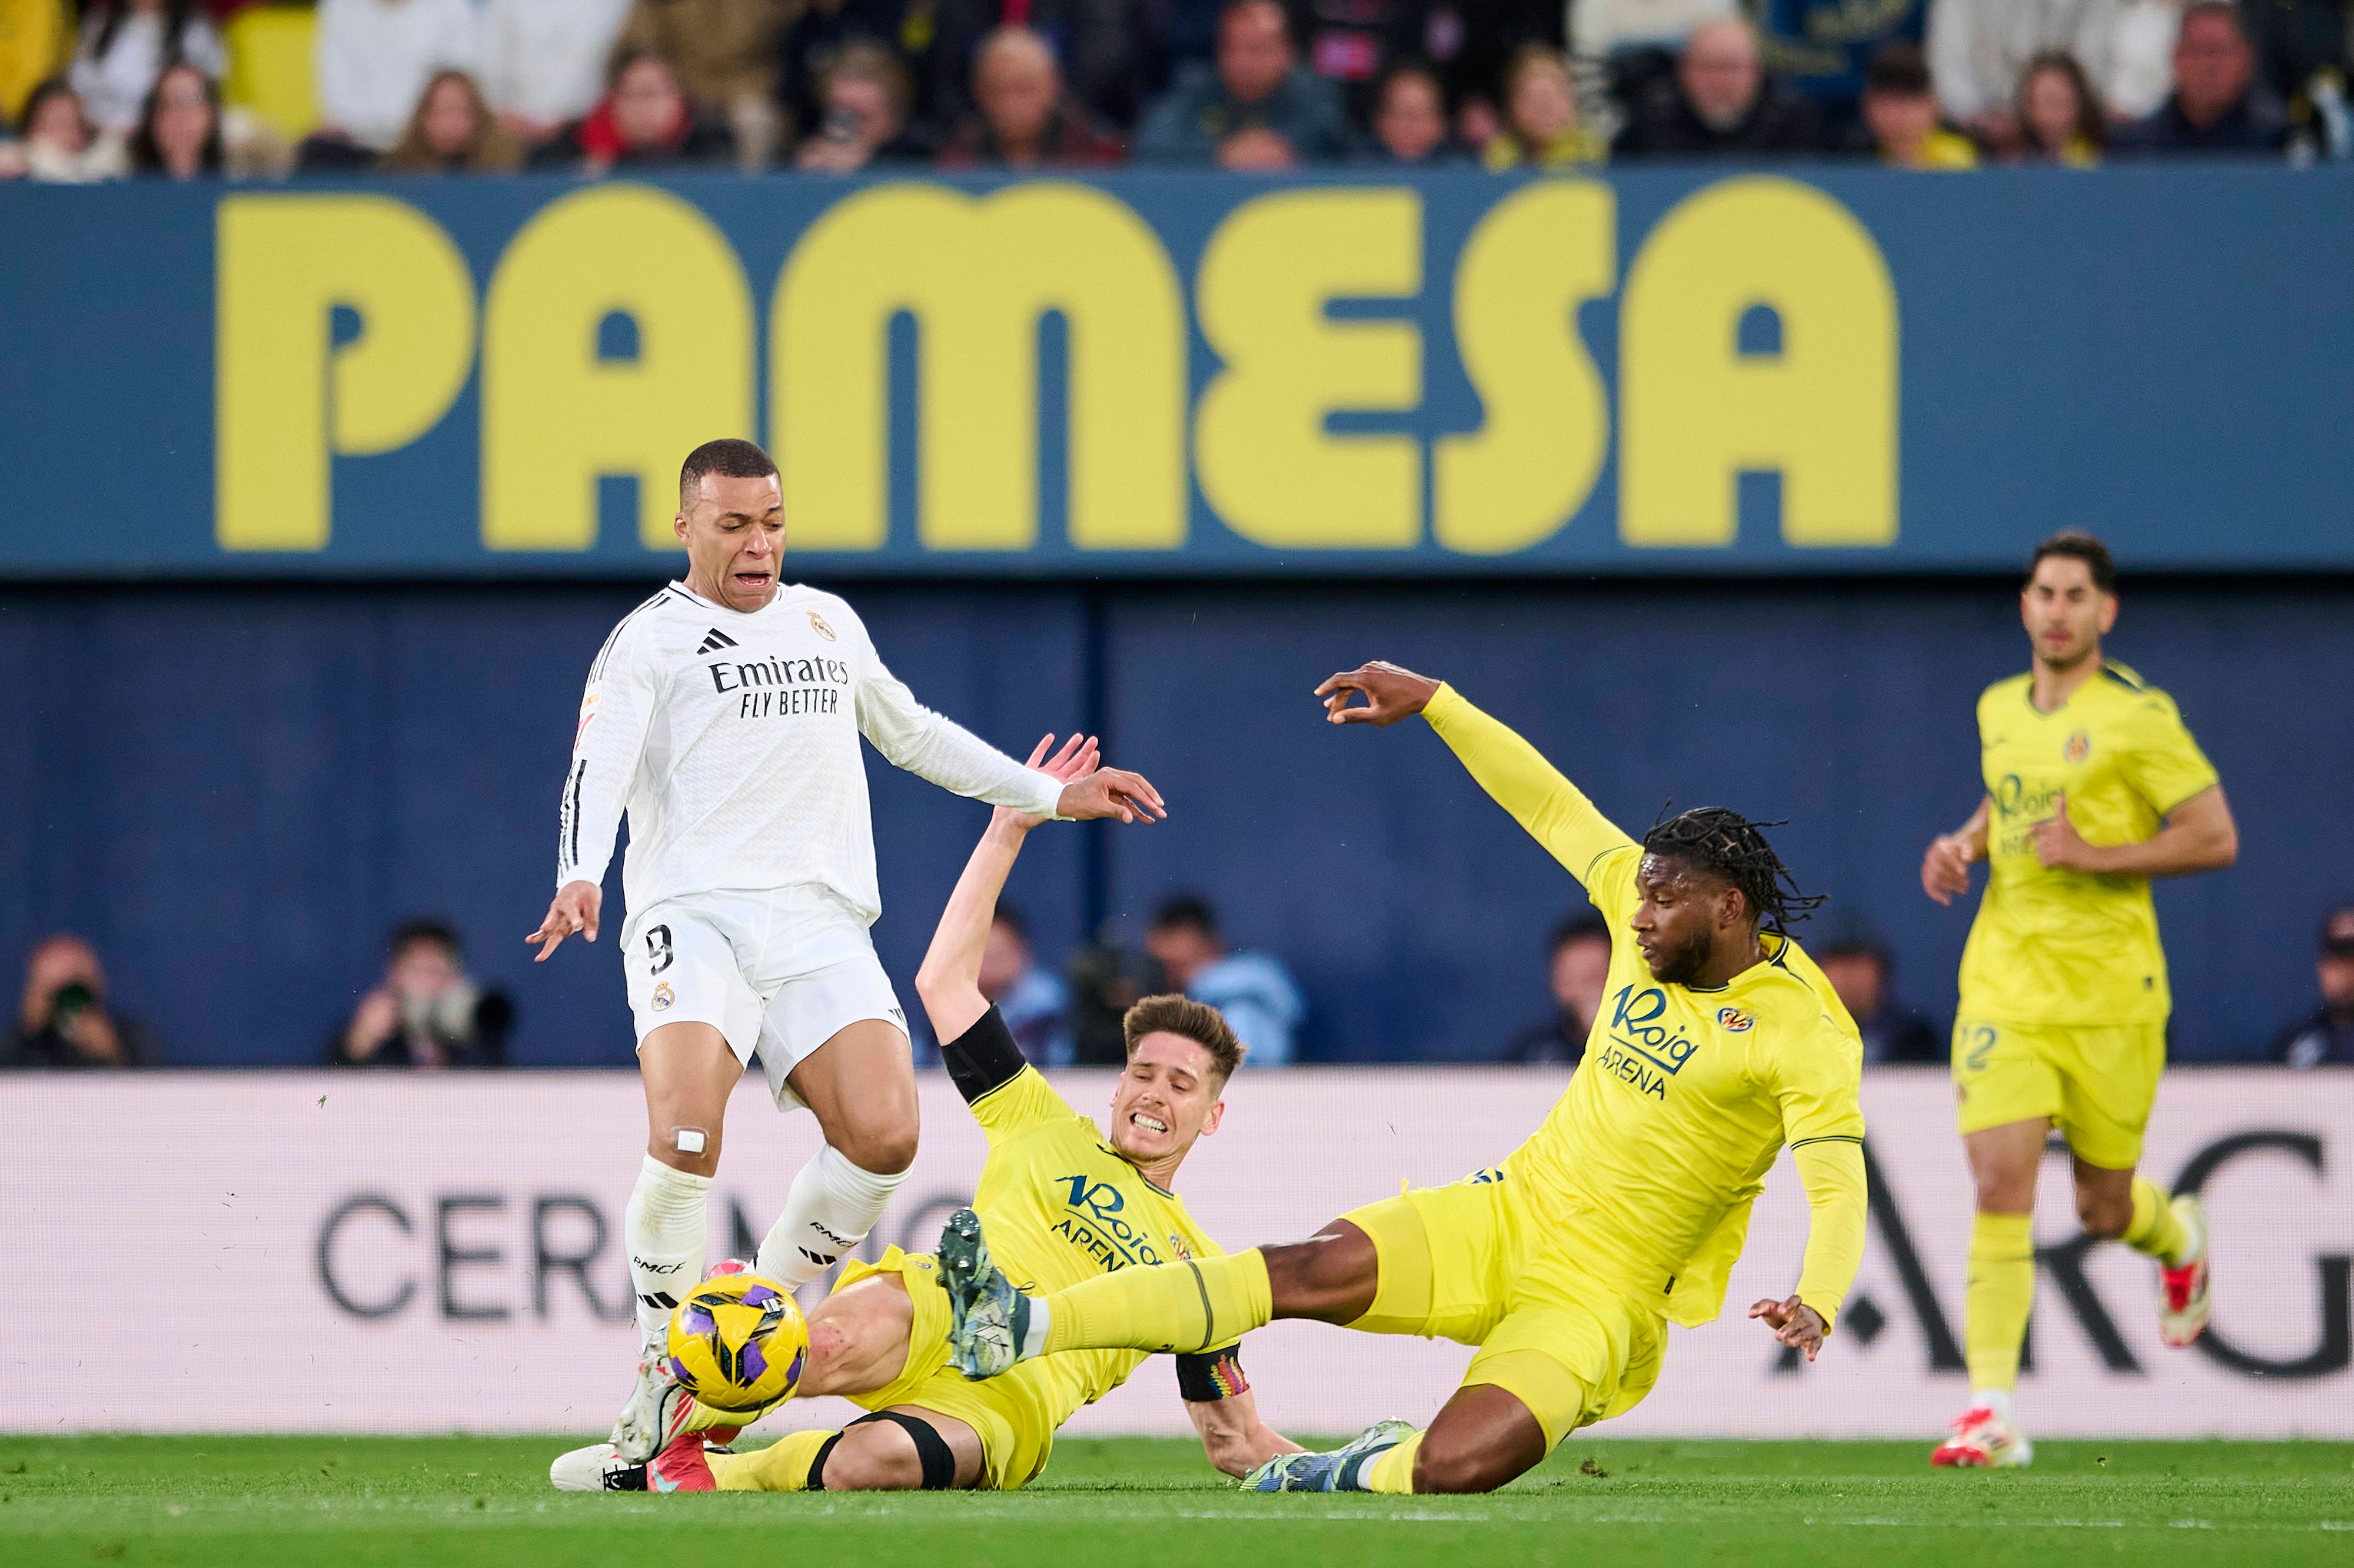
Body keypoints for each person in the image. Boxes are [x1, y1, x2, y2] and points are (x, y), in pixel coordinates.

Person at [943, 660, 1868, 1495]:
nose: (1640, 916)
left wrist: (1819, 1296)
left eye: (1666, 902)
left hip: (1603, 1294)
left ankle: (1346, 1469)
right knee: (1302, 1268)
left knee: (1455, 1466)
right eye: (1645, 893)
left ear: (1730, 906)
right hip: (1508, 1212)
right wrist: (1439, 703)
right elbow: (1547, 804)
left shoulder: (1806, 1029)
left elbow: (1837, 1183)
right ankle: (1024, 1324)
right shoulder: (1636, 898)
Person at [528, 437, 1165, 1465]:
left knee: (885, 1136)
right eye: (733, 524)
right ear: (685, 526)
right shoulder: (647, 641)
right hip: (695, 913)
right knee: (689, 1138)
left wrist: (1048, 795)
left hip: (819, 920)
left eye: (773, 523)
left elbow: (909, 731)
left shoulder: (827, 621)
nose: (757, 545)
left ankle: (746, 1343)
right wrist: (581, 871)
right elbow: (595, 766)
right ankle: (662, 1372)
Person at [550, 740, 1294, 1493]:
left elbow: (1236, 1440)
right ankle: (660, 1432)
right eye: (1142, 1074)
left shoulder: (1204, 1271)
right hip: (931, 1306)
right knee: (815, 1342)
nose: (1154, 1095)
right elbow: (943, 982)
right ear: (1117, 1086)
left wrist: (1351, 1468)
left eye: (1180, 1084)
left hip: (1007, 1397)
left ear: (1212, 1116)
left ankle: (695, 1473)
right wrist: (1007, 827)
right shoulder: (1040, 1121)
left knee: (873, 1463)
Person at [1919, 529, 2238, 1469]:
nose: (2057, 610)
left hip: (2110, 998)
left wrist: (2100, 857)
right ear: (2026, 606)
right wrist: (1967, 843)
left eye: (2075, 596)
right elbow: (2006, 798)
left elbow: (2215, 836)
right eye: (2044, 593)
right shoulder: (1997, 707)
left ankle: (2176, 1234)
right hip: (2006, 985)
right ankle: (1989, 1409)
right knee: (1999, 1184)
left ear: (2105, 612)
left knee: (2102, 1208)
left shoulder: (2139, 718)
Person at [1133, 0, 1351, 167]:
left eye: (1256, 49)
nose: (1242, 62)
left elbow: (1344, 154)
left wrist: (1290, 153)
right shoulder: (1194, 88)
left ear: (1288, 52)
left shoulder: (1316, 94)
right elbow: (1149, 148)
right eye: (1231, 48)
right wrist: (1218, 154)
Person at [1611, 17, 1821, 158]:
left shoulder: (1793, 123)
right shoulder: (1650, 122)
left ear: (1756, 71)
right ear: (1683, 71)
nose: (1720, 82)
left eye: (1732, 68)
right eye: (1708, 68)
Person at [326, 919, 514, 1069]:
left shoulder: (476, 1039)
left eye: (436, 970)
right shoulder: (374, 1040)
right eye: (417, 971)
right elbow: (324, 1097)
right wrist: (360, 1042)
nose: (427, 984)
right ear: (395, 974)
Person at [1925, 0, 2112, 150]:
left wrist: (2057, 104)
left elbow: (2093, 62)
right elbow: (1951, 72)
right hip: (1982, 133)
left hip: (2080, 132)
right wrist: (1980, 116)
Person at [2110, 2, 2291, 157]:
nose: (2209, 65)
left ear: (2247, 59)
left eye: (2220, 51)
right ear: (2176, 58)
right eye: (2198, 51)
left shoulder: (2279, 142)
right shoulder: (2137, 146)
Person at [308, 0, 480, 160]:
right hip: (358, 146)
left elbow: (459, 88)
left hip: (433, 146)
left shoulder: (451, 7)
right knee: (317, 152)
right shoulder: (340, 7)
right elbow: (338, 101)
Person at [1144, 897, 1304, 1067]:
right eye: (1166, 966)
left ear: (1215, 946)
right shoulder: (1154, 1007)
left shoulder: (1242, 1009)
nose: (1174, 976)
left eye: (1181, 965)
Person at [936, 26, 1125, 169]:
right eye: (998, 90)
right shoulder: (958, 158)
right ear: (978, 91)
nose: (1011, 105)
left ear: (1054, 85)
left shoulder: (1097, 152)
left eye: (1025, 89)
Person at [531, 50, 736, 174]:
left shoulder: (711, 142)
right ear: (614, 103)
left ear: (678, 100)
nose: (642, 106)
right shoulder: (575, 145)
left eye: (652, 93)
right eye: (631, 95)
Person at [478, 0, 633, 146]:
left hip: (592, 132)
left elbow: (626, 60)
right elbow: (489, 57)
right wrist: (500, 111)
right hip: (509, 129)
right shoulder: (504, 6)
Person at [68, 0, 224, 140]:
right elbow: (77, 85)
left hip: (167, 142)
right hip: (99, 137)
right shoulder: (99, 23)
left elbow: (208, 94)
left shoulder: (194, 29)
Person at [6, 934, 154, 1069]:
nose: (69, 1003)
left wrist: (113, 1053)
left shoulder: (131, 1037)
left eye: (75, 988)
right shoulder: (22, 1045)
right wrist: (31, 1029)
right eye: (56, 991)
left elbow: (157, 1084)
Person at [793, 39, 933, 171]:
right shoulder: (806, 155)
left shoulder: (923, 159)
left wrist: (867, 168)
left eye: (861, 117)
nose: (845, 127)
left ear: (895, 119)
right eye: (837, 114)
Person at [1813, 924, 1941, 1064]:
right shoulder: (1803, 1034)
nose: (1848, 977)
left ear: (1881, 971)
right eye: (1838, 965)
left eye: (1858, 963)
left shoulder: (1915, 1036)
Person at [1501, 914, 1611, 1065]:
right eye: (1571, 981)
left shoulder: (1645, 1045)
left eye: (1594, 978)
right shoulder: (1532, 1052)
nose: (1584, 993)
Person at [1479, 43, 1604, 168]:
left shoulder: (1591, 157)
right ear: (1511, 104)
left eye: (1555, 95)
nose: (1545, 109)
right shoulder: (1496, 159)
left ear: (1572, 99)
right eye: (1533, 98)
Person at [1856, 41, 1977, 167]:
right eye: (1888, 102)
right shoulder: (1853, 156)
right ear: (1867, 104)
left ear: (1933, 103)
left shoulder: (1957, 159)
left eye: (1908, 101)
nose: (1897, 114)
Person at [383, 69, 523, 173]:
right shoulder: (397, 171)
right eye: (437, 113)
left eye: (458, 112)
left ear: (479, 116)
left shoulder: (508, 168)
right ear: (421, 118)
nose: (447, 125)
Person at [2272, 907, 2354, 1068]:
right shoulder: (2298, 1042)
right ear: (2322, 967)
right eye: (2336, 961)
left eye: (2350, 961)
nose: (2345, 973)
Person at [14, 76, 121, 181]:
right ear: (32, 129)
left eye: (79, 126)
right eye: (60, 125)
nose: (73, 135)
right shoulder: (12, 173)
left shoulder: (107, 172)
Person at [1356, 59, 1464, 164]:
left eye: (1419, 115)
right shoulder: (1354, 173)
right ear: (1378, 120)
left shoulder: (1466, 174)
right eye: (1398, 114)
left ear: (1442, 123)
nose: (1408, 126)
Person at [127, 58, 220, 178]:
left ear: (211, 114)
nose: (181, 116)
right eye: (168, 104)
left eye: (190, 102)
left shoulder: (236, 185)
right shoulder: (123, 188)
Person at [2014, 49, 2103, 164]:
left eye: (2065, 102)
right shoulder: (2012, 161)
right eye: (2050, 102)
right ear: (2028, 107)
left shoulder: (2104, 156)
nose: (2058, 113)